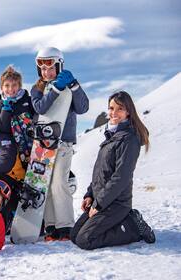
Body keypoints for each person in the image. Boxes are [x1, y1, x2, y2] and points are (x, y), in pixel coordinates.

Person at [70, 91, 155, 250]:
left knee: (84, 240)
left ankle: (133, 227)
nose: (113, 113)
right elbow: (100, 173)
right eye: (111, 108)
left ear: (128, 111)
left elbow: (120, 177)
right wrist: (90, 195)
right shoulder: (111, 137)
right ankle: (118, 223)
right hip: (102, 200)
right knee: (75, 235)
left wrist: (99, 203)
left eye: (120, 109)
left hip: (116, 203)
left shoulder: (129, 139)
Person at [31, 47, 89, 240]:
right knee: (44, 185)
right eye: (43, 69)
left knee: (59, 184)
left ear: (59, 65)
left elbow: (83, 108)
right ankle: (51, 226)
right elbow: (41, 107)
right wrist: (56, 89)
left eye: (51, 68)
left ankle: (65, 226)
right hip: (44, 144)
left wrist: (74, 85)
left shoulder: (69, 87)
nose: (47, 72)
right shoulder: (37, 89)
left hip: (63, 142)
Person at [0, 65, 35, 168]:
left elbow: (39, 116)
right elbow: (2, 130)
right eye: (7, 85)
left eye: (14, 85)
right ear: (1, 88)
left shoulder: (29, 101)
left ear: (19, 86)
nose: (11, 89)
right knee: (24, 175)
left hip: (35, 145)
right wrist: (5, 110)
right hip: (16, 150)